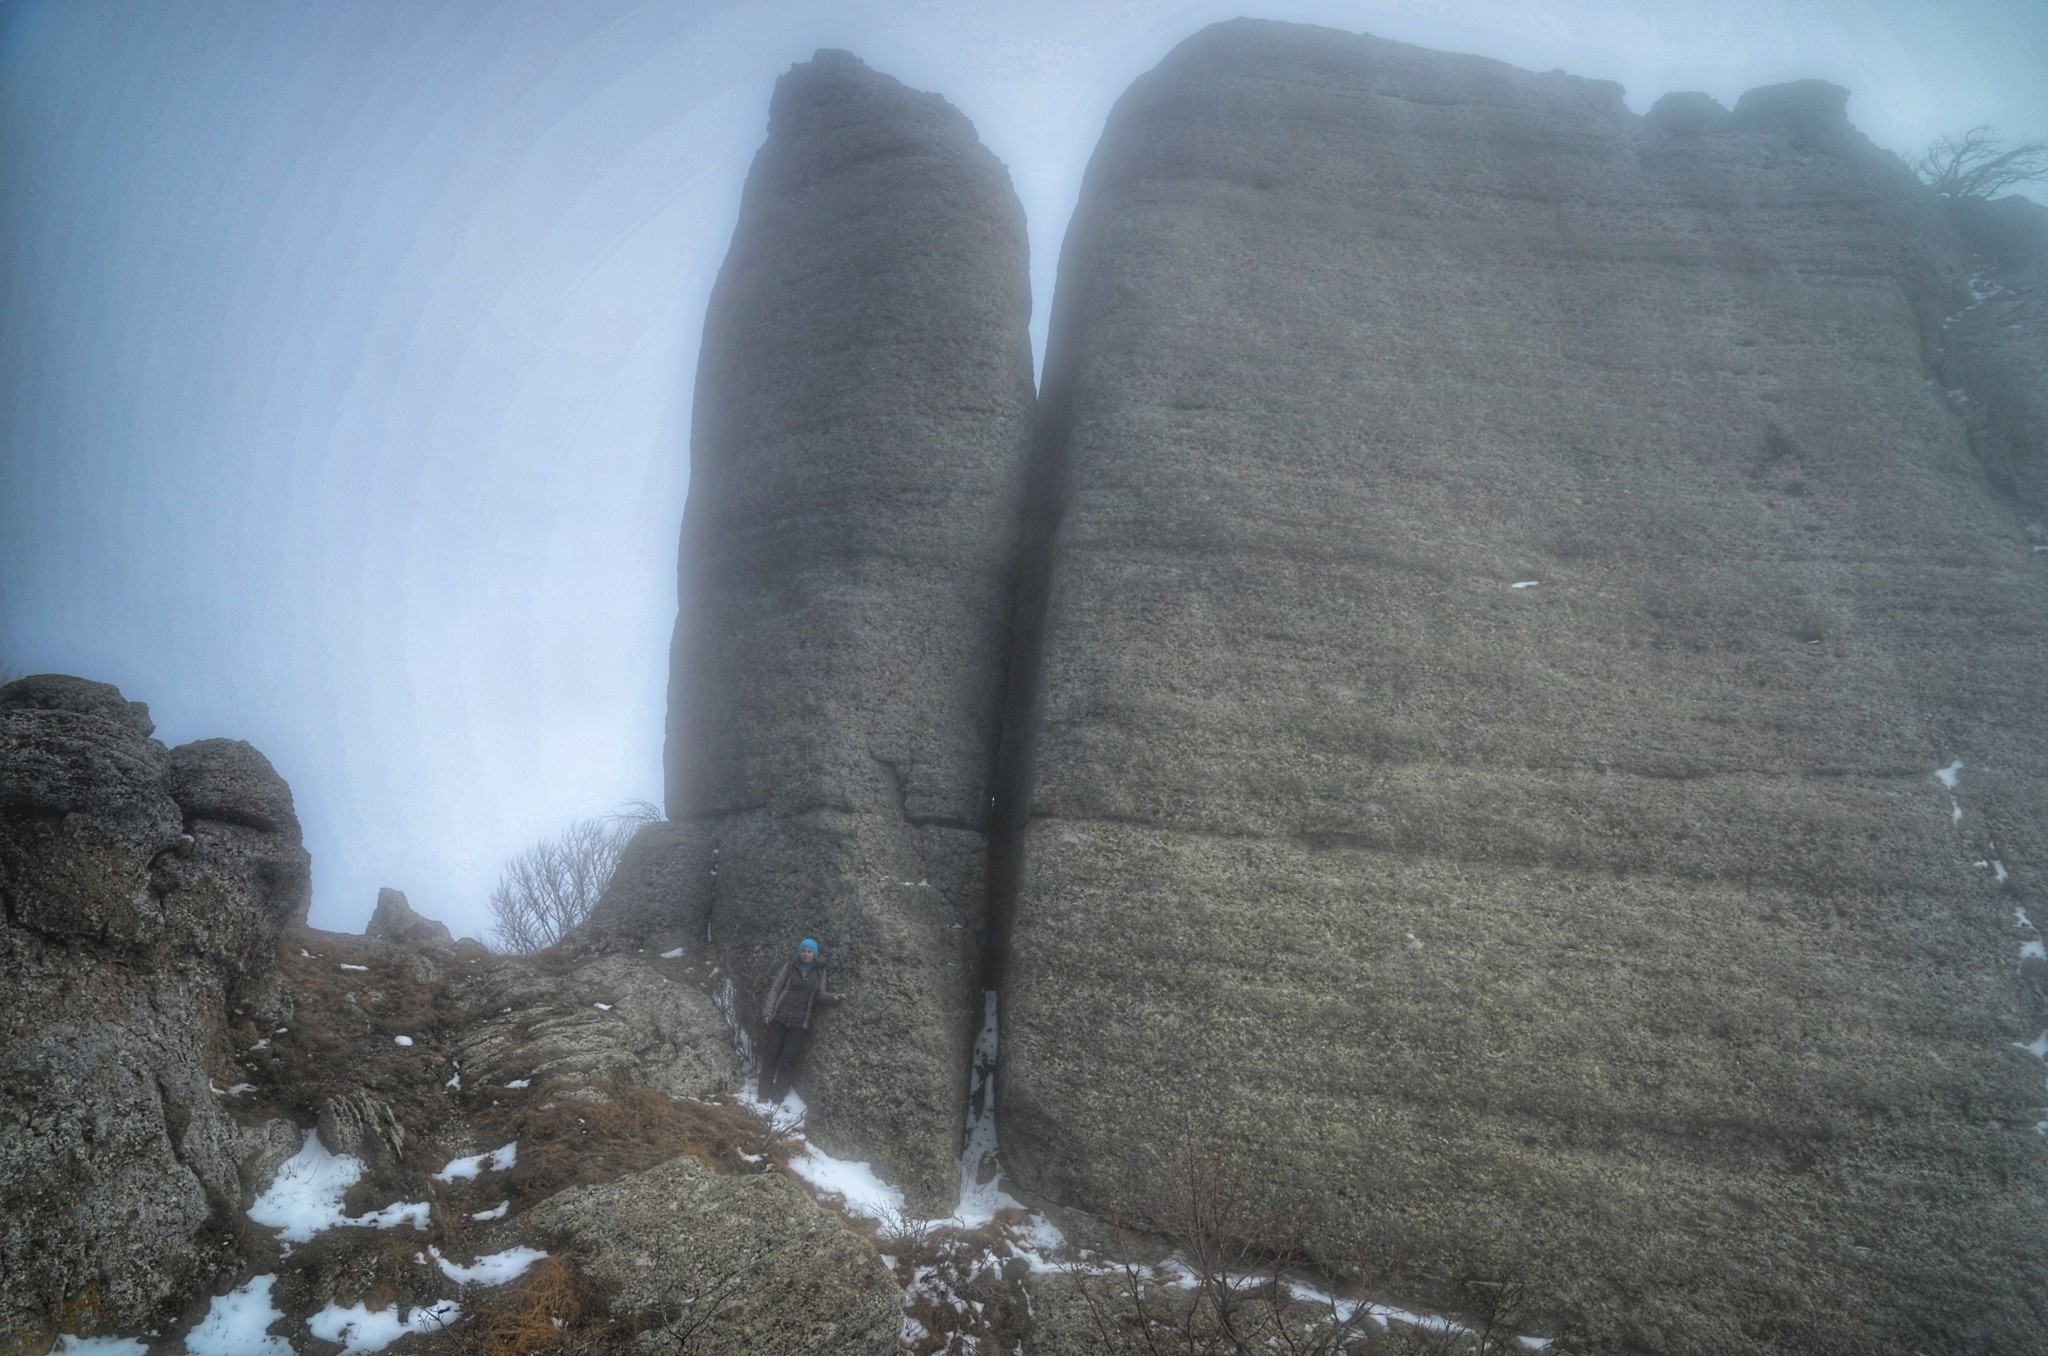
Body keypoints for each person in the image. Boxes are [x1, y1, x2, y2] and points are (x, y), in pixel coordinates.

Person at [757, 937, 845, 1104]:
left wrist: (834, 997)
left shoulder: (820, 971)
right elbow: (776, 988)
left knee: (788, 1059)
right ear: (800, 952)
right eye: (804, 951)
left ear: (814, 954)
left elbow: (820, 994)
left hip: (800, 1022)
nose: (806, 954)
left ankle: (778, 1095)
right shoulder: (791, 966)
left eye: (809, 951)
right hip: (779, 1016)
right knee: (771, 1056)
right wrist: (768, 1011)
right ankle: (763, 1092)